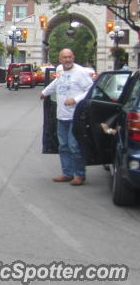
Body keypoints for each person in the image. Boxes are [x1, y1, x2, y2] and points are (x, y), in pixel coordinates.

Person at [40, 48, 94, 186]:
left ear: (73, 57)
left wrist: (75, 99)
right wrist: (44, 92)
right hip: (61, 116)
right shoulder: (61, 71)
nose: (67, 60)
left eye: (69, 57)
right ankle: (67, 173)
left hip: (75, 117)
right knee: (63, 146)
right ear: (60, 59)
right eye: (64, 57)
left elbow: (90, 89)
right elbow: (56, 83)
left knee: (74, 146)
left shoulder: (80, 72)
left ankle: (80, 175)